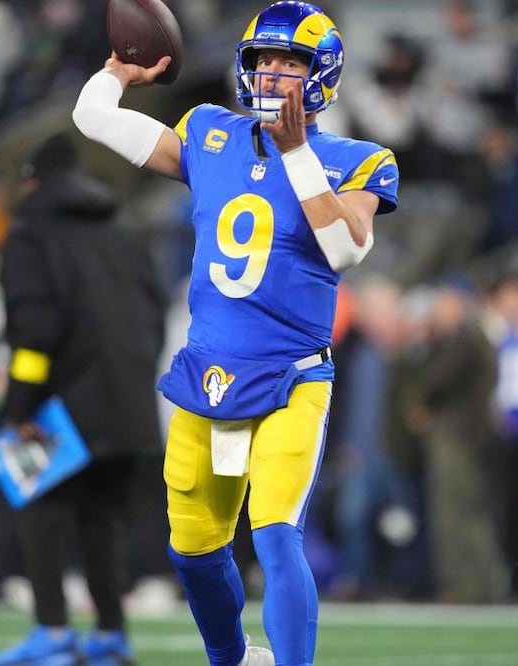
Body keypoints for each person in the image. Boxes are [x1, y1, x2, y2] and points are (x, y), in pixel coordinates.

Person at [72, 3, 399, 665]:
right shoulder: (207, 132)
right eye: (263, 60)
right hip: (207, 373)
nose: (274, 74)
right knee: (191, 552)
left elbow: (343, 249)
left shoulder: (358, 159)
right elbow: (92, 119)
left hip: (290, 376)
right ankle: (230, 659)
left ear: (320, 73)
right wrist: (115, 71)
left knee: (276, 534)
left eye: (290, 62)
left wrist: (298, 154)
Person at [0, 133, 167, 666]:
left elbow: (35, 333)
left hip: (64, 402)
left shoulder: (30, 237)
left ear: (33, 181)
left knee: (41, 506)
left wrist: (19, 408)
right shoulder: (124, 234)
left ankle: (54, 634)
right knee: (105, 518)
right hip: (130, 400)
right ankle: (111, 634)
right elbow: (153, 318)